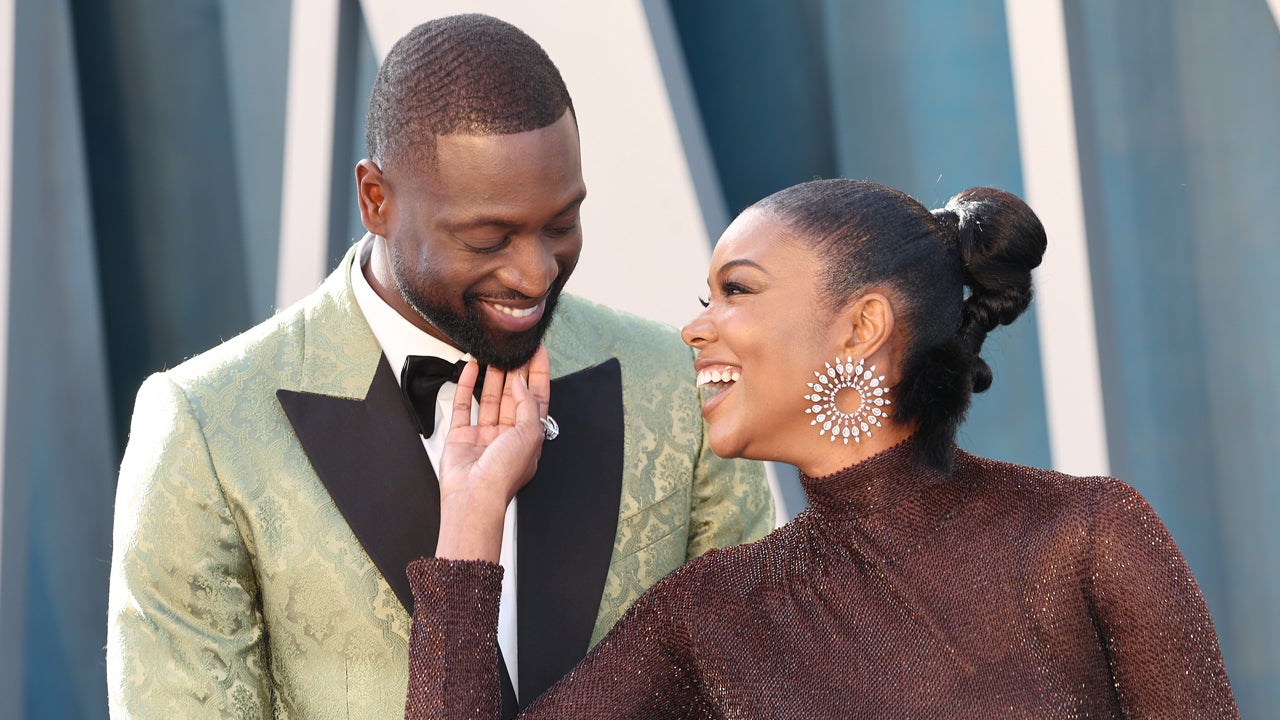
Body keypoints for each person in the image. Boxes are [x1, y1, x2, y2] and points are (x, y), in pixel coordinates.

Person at [105, 14, 773, 719]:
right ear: (376, 200)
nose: (536, 272)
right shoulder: (206, 428)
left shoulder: (672, 377)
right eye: (489, 237)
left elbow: (763, 683)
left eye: (562, 223)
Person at [406, 179, 1239, 718]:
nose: (695, 328)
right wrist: (473, 509)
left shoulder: (1085, 535)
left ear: (862, 326)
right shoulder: (709, 616)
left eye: (737, 291)